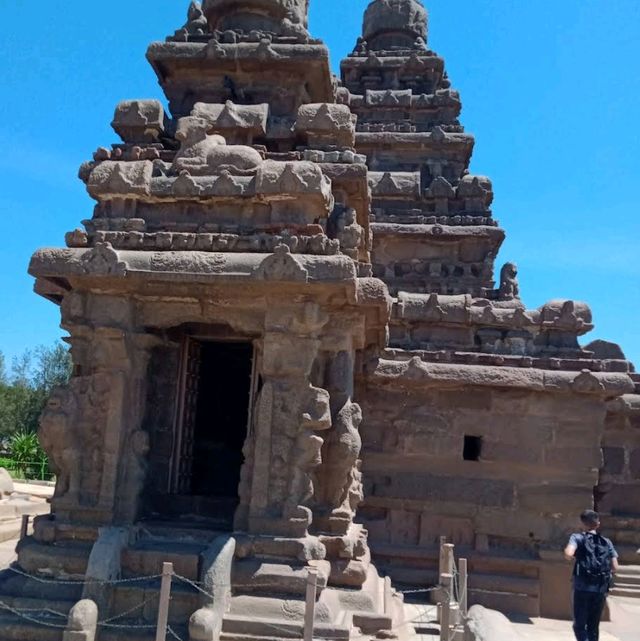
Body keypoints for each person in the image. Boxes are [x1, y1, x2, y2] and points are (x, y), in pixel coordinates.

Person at [564, 509, 619, 641]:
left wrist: (571, 554)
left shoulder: (577, 537)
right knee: (593, 626)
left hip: (582, 587)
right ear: (598, 523)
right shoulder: (606, 542)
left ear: (582, 523)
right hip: (600, 589)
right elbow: (615, 567)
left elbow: (569, 554)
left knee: (579, 626)